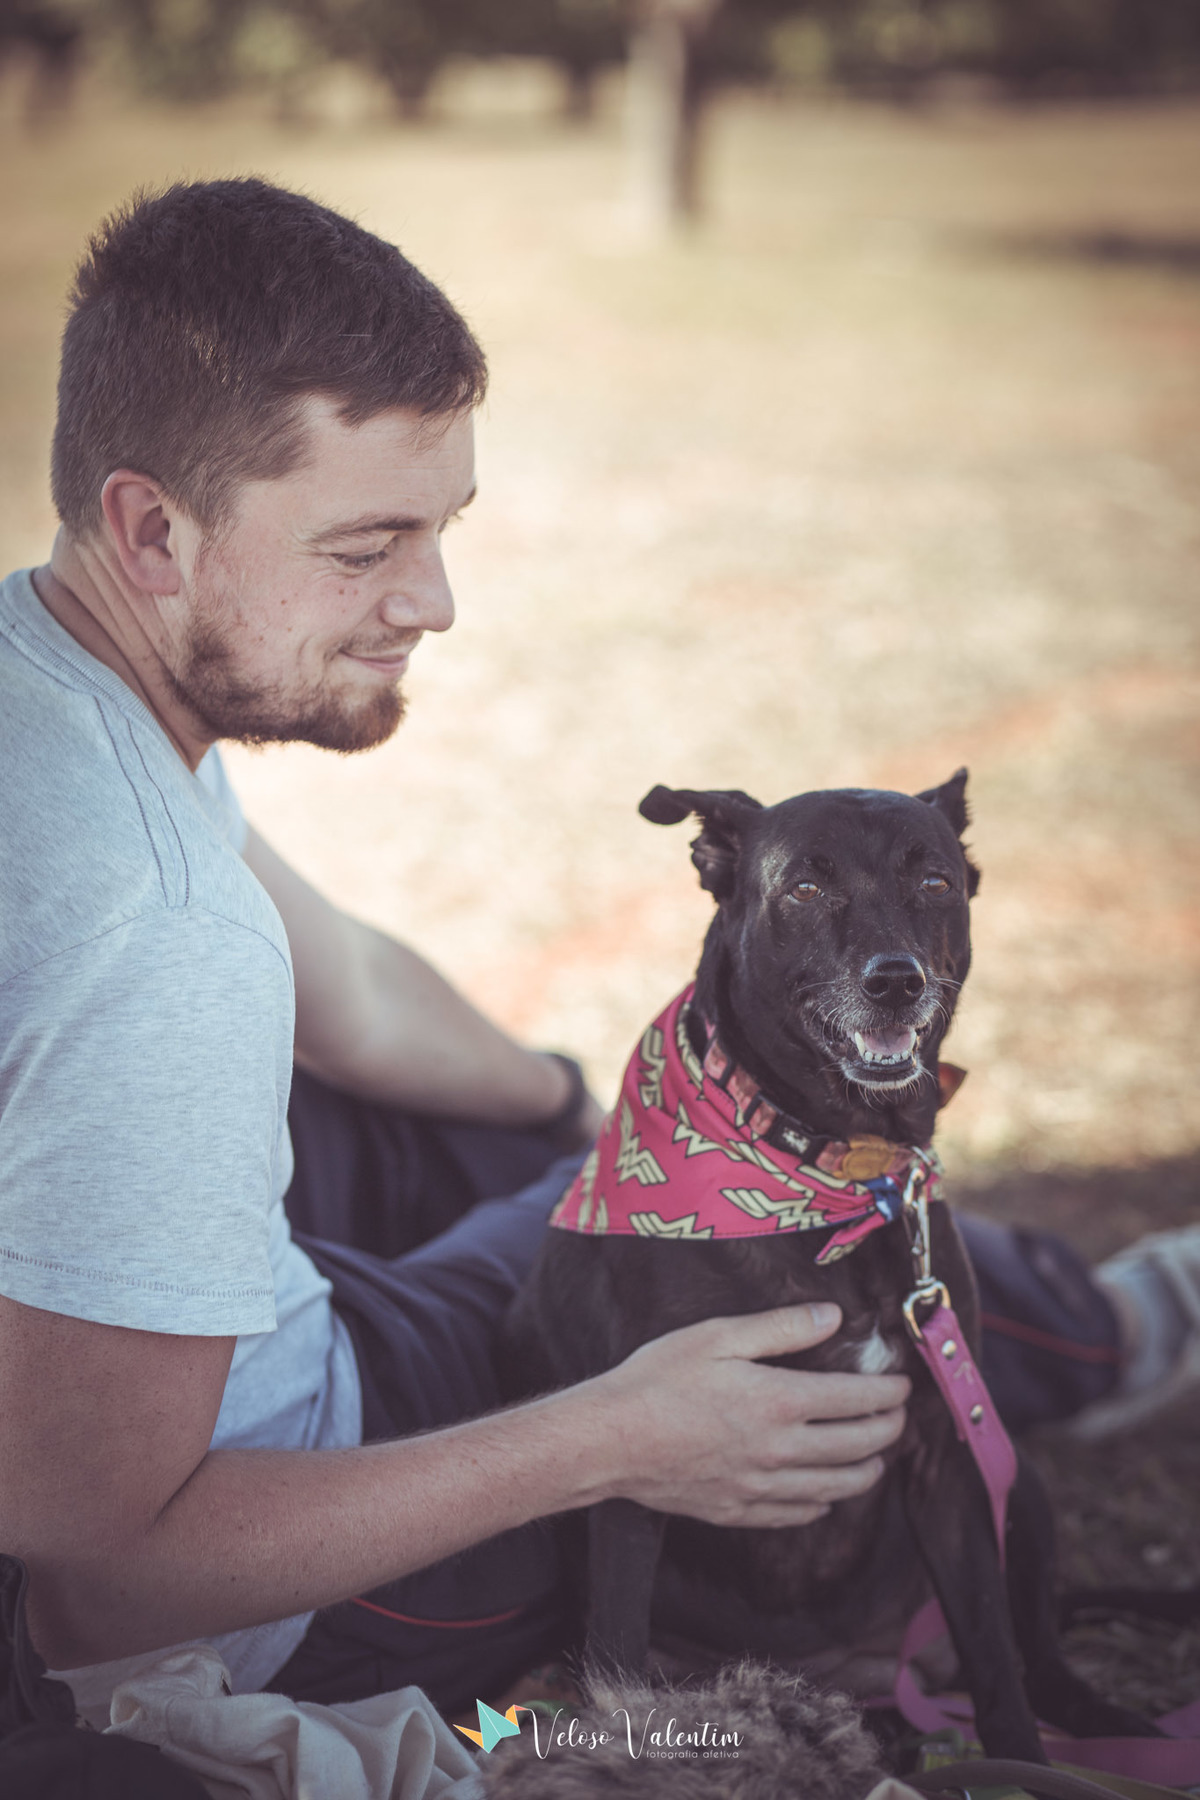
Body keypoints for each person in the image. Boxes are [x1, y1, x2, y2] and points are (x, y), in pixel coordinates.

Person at [0, 178, 912, 1718]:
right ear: (151, 529)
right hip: (291, 1561)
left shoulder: (60, 679)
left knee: (578, 1167)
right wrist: (611, 1437)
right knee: (772, 1260)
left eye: (442, 530)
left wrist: (573, 1104)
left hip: (199, 1308)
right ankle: (1125, 1321)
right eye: (366, 547)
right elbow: (100, 1574)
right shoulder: (161, 938)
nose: (432, 601)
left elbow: (348, 995)